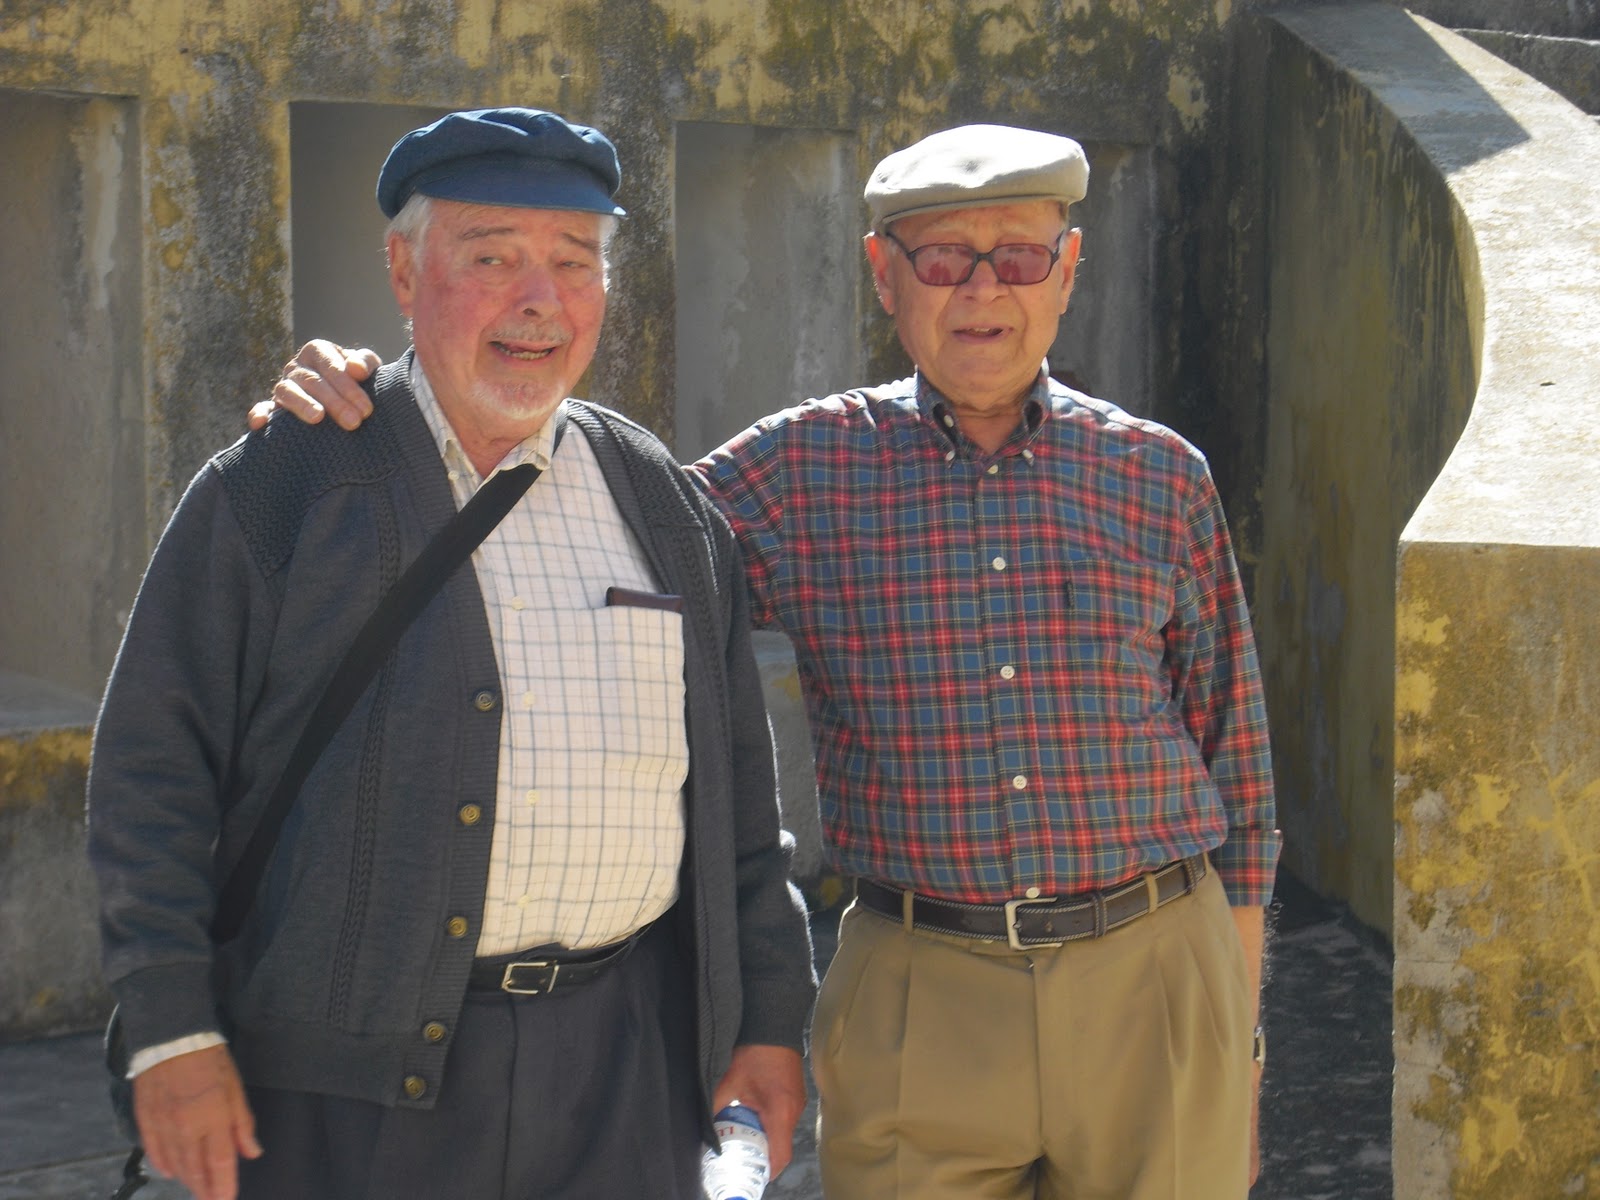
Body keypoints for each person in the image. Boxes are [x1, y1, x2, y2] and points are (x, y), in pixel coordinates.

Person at [266, 122, 1279, 1200]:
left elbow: (1237, 761)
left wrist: (1236, 1028)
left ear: (1066, 271)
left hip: (1156, 970)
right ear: (885, 275)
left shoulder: (1159, 475)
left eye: (1020, 256)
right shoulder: (800, 468)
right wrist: (380, 402)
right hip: (918, 988)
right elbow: (563, 521)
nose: (984, 289)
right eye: (944, 257)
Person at [89, 107, 815, 1200]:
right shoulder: (287, 480)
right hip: (345, 1096)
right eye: (491, 257)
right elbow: (151, 773)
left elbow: (741, 808)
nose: (540, 299)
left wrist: (765, 1018)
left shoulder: (663, 502)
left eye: (574, 260)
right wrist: (170, 1031)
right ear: (402, 269)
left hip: (626, 1076)